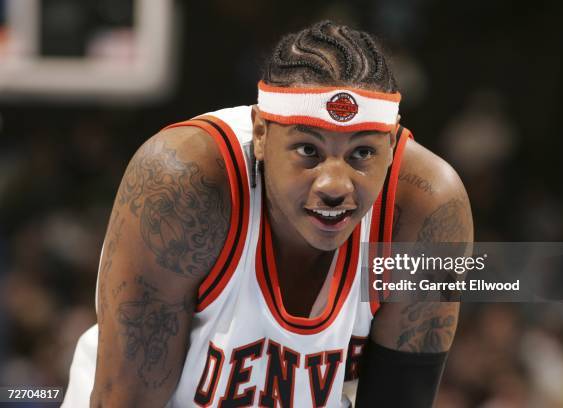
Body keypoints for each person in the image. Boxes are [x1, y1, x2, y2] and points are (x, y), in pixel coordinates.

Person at [63, 20, 472, 407]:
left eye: (362, 153)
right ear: (260, 133)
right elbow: (125, 399)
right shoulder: (184, 183)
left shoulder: (428, 210)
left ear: (393, 137)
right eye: (309, 151)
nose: (334, 186)